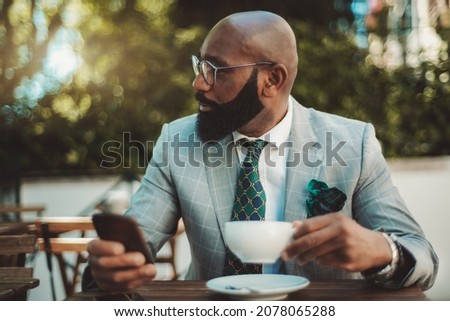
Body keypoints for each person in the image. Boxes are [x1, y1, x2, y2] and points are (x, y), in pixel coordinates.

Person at [83, 10, 438, 292]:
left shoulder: (352, 143)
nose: (198, 83)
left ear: (272, 80)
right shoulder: (177, 141)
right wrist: (110, 269)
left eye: (215, 70)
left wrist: (380, 252)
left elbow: (423, 259)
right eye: (200, 65)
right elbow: (134, 244)